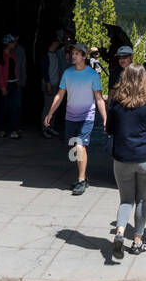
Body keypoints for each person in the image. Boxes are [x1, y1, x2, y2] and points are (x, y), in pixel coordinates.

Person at [105, 63, 146, 258]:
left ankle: (119, 232)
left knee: (125, 200)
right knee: (142, 199)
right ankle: (137, 241)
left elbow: (109, 130)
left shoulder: (115, 103)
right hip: (145, 159)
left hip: (122, 158)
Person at [43, 43, 105, 195]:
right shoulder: (67, 73)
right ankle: (83, 173)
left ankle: (81, 180)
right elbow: (60, 94)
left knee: (79, 145)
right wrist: (50, 112)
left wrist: (105, 118)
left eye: (77, 53)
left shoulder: (92, 74)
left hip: (87, 116)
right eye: (73, 53)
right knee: (75, 148)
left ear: (84, 56)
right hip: (70, 116)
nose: (73, 56)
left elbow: (99, 98)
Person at [0, 34, 22, 138]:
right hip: (5, 84)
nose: (14, 44)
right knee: (4, 108)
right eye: (12, 42)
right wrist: (2, 87)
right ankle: (1, 129)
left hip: (14, 83)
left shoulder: (12, 54)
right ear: (8, 44)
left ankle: (13, 131)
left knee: (15, 108)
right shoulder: (1, 56)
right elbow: (0, 73)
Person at [41, 32, 64, 138]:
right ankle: (45, 128)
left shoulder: (56, 54)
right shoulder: (46, 56)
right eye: (56, 42)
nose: (58, 43)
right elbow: (45, 71)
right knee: (48, 107)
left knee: (55, 107)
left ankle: (51, 127)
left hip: (57, 83)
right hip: (49, 84)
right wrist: (48, 84)